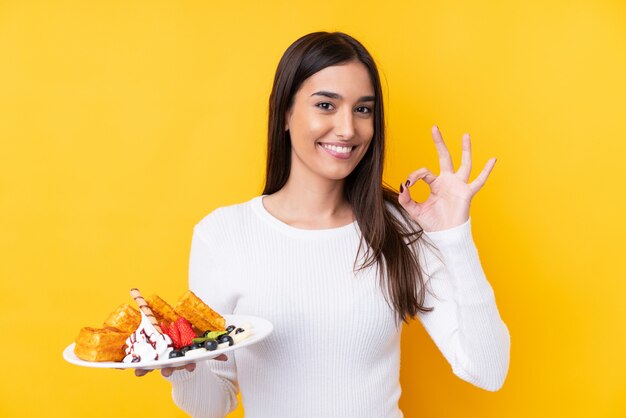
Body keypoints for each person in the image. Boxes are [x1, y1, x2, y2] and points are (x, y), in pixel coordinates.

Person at [137, 31, 510, 417]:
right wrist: (182, 368)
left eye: (363, 109)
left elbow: (488, 370)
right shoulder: (223, 234)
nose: (348, 129)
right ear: (284, 112)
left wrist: (454, 237)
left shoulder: (398, 227)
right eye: (326, 105)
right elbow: (212, 406)